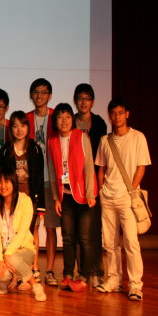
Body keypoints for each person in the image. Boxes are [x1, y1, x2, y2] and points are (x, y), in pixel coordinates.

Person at [95, 98, 151, 301]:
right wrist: (102, 190)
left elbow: (141, 167)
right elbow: (101, 169)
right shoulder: (105, 140)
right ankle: (113, 280)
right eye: (113, 113)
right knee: (110, 242)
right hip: (108, 196)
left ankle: (135, 285)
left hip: (127, 197)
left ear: (127, 114)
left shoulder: (138, 137)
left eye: (120, 112)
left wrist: (131, 190)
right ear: (109, 115)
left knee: (131, 242)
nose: (116, 117)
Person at [47, 103, 97, 292]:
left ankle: (84, 276)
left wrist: (90, 193)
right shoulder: (52, 141)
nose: (64, 120)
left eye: (67, 116)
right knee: (67, 237)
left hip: (83, 195)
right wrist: (56, 198)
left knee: (84, 238)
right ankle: (68, 275)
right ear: (55, 121)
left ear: (72, 119)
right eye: (60, 117)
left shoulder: (81, 136)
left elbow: (89, 166)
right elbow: (52, 170)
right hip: (65, 196)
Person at [0, 110, 45, 281]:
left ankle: (34, 267)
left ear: (28, 128)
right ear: (11, 129)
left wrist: (40, 204)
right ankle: (16, 272)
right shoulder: (5, 150)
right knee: (13, 233)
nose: (19, 130)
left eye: (23, 125)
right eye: (15, 126)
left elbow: (39, 177)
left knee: (31, 234)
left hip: (30, 199)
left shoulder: (35, 149)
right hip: (12, 199)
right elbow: (1, 177)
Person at [0, 167, 47, 301]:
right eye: (0, 182)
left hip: (24, 250)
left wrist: (8, 254)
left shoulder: (25, 200)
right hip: (2, 253)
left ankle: (35, 285)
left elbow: (23, 232)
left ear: (14, 182)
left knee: (12, 258)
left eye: (7, 181)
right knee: (2, 274)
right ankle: (4, 282)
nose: (3, 186)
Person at [73, 83, 108, 288]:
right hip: (73, 183)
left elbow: (101, 153)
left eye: (87, 99)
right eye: (80, 98)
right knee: (78, 231)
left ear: (93, 102)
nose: (83, 102)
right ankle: (82, 272)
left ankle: (97, 271)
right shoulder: (70, 121)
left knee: (94, 230)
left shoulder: (100, 123)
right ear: (75, 101)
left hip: (93, 180)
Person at [26, 78, 59, 287]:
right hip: (33, 181)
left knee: (51, 227)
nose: (39, 96)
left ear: (50, 95)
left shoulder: (56, 116)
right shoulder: (26, 118)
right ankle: (34, 267)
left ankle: (51, 270)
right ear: (31, 95)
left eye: (44, 92)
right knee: (33, 227)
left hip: (52, 181)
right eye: (36, 92)